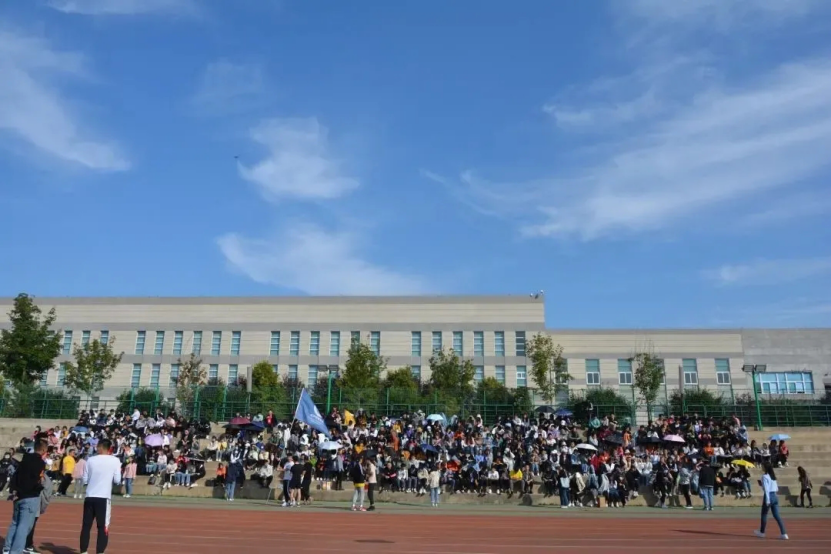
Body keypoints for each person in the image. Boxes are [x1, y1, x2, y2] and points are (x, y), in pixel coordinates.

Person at [3, 440, 46, 554]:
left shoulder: (24, 460)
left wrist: (14, 491)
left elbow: (15, 476)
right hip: (30, 496)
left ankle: (7, 548)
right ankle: (15, 551)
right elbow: (39, 479)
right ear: (43, 450)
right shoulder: (40, 463)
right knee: (24, 526)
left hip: (18, 496)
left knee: (15, 523)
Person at [80, 439, 122, 554]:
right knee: (103, 527)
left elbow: (85, 479)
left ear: (100, 447)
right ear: (109, 448)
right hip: (103, 497)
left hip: (89, 496)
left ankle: (83, 551)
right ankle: (100, 551)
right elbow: (117, 480)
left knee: (86, 526)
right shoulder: (115, 460)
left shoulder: (90, 460)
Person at [755, 463, 788, 540]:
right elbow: (776, 488)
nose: (762, 467)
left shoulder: (764, 476)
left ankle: (762, 532)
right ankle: (784, 533)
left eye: (763, 466)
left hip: (769, 495)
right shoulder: (773, 476)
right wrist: (763, 485)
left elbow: (766, 489)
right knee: (777, 515)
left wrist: (767, 499)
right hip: (775, 496)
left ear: (765, 467)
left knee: (764, 514)